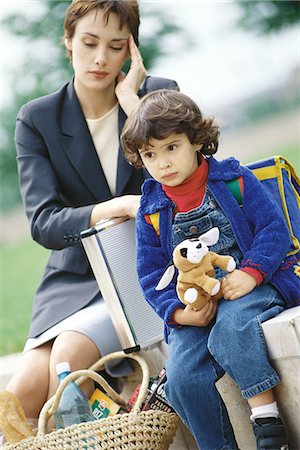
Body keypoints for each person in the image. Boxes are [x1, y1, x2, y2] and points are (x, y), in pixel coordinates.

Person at [2, 0, 178, 432]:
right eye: (89, 43)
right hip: (73, 280)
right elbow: (44, 222)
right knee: (21, 391)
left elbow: (185, 183)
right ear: (68, 42)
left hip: (144, 269)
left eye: (116, 46)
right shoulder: (38, 119)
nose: (101, 58)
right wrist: (115, 207)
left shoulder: (158, 96)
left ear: (131, 50)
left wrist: (133, 106)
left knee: (67, 358)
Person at [121, 89, 300, 450]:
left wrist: (251, 273)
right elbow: (151, 274)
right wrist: (180, 313)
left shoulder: (233, 180)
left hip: (250, 284)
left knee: (230, 331)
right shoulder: (152, 208)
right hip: (195, 303)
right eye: (150, 154)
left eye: (171, 147)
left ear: (197, 140)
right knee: (183, 376)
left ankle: (267, 423)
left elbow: (272, 230)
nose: (162, 163)